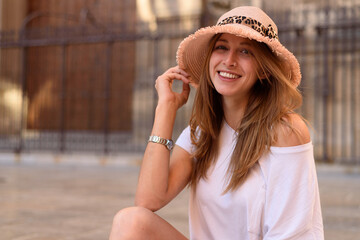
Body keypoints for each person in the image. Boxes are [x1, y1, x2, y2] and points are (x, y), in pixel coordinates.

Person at [109, 6, 324, 240]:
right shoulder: (202, 133)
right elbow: (148, 200)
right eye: (222, 47)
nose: (229, 61)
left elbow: (289, 233)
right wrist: (165, 109)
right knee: (130, 222)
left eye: (245, 52)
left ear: (263, 70)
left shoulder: (284, 131)